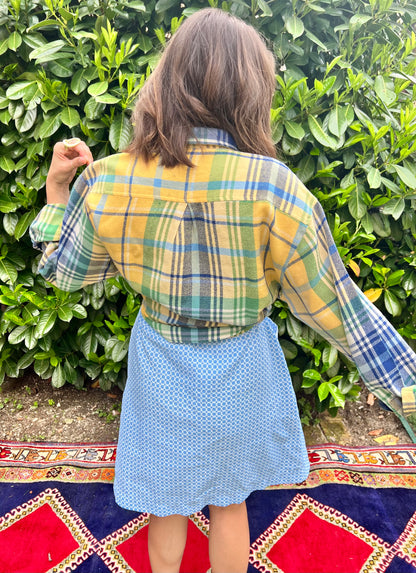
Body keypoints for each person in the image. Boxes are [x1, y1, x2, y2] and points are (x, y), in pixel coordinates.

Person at [30, 8, 416, 573]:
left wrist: (55, 195)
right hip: (241, 365)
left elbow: (66, 273)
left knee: (164, 500)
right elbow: (340, 309)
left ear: (168, 80)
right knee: (231, 499)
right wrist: (409, 389)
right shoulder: (274, 187)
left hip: (159, 362)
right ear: (249, 90)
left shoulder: (107, 178)